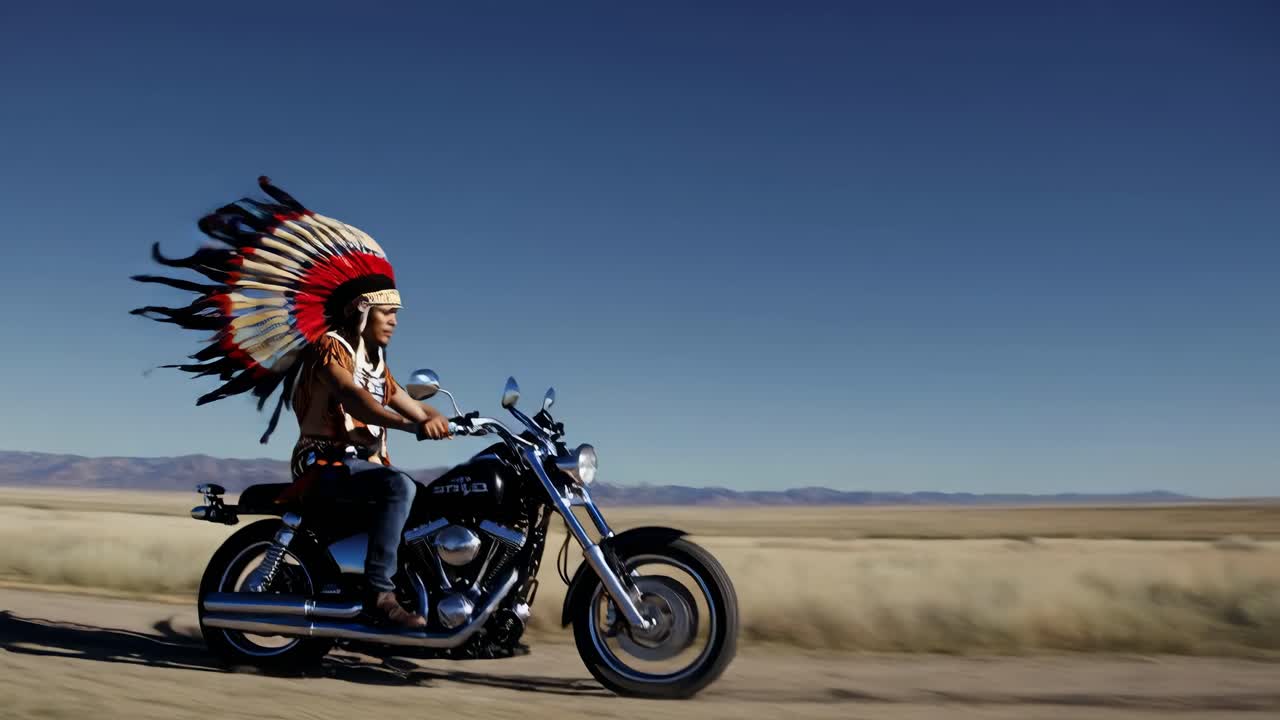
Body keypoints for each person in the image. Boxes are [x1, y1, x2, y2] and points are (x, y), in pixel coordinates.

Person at [131, 175, 449, 628]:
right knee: (398, 487)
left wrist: (438, 417)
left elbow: (402, 400)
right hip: (325, 464)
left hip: (361, 467)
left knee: (428, 499)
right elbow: (354, 399)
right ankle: (380, 593)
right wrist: (411, 426)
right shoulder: (329, 349)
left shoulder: (375, 361)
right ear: (363, 310)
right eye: (387, 312)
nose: (395, 321)